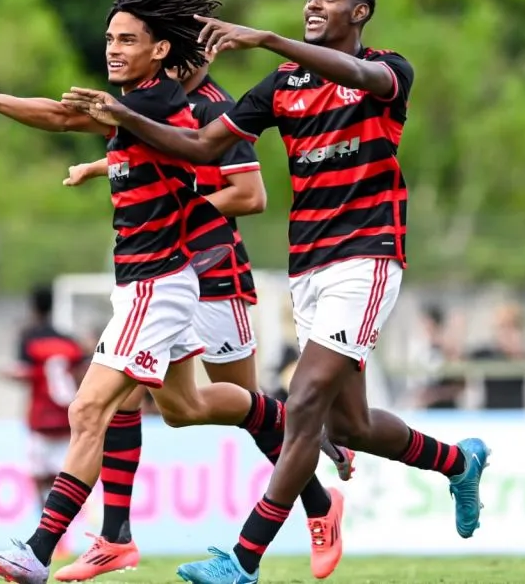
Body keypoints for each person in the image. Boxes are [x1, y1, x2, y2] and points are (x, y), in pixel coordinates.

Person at [63, 0, 490, 584]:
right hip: (309, 266)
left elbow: (356, 74)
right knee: (351, 424)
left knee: (305, 403)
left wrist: (264, 38)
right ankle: (457, 463)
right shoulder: (281, 85)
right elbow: (203, 148)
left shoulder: (388, 70)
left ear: (360, 13)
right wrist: (121, 122)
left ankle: (243, 559)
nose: (314, 3)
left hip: (367, 257)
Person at [0, 0, 291, 584]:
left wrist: (119, 121)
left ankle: (38, 550)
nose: (112, 49)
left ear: (160, 50)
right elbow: (60, 114)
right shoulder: (132, 103)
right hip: (152, 284)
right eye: (110, 38)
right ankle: (286, 419)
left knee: (87, 408)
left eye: (127, 40)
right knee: (184, 407)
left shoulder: (152, 101)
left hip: (157, 286)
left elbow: (207, 159)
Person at [54, 55, 354, 582]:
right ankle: (115, 536)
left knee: (244, 410)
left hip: (216, 275)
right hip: (168, 274)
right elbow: (161, 161)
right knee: (126, 391)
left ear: (203, 55)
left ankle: (316, 492)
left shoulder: (219, 110)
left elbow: (250, 194)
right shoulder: (160, 103)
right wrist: (101, 167)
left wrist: (179, 215)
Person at [5, 285, 86, 508]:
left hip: (40, 418)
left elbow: (23, 373)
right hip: (67, 417)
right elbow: (81, 373)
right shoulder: (69, 340)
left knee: (39, 479)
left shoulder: (28, 339)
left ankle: (46, 527)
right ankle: (62, 536)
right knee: (65, 480)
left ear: (32, 308)